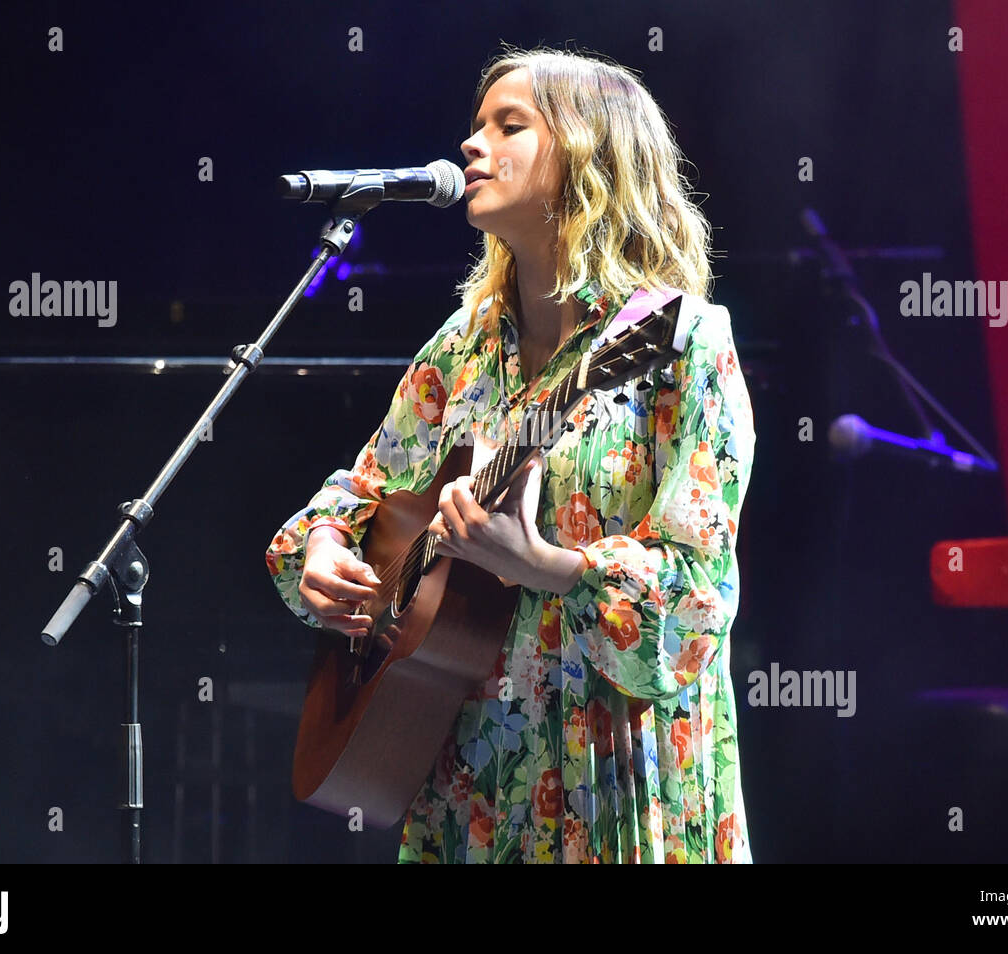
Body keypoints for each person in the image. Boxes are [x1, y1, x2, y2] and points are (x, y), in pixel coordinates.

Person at [266, 45, 756, 863]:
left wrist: (545, 566)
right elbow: (363, 492)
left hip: (616, 782)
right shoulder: (462, 347)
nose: (471, 144)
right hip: (469, 786)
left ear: (590, 155)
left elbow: (699, 599)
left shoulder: (679, 345)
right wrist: (323, 545)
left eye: (508, 125)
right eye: (474, 125)